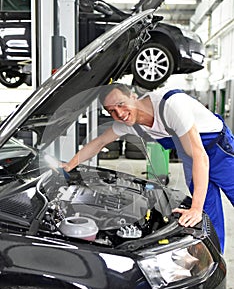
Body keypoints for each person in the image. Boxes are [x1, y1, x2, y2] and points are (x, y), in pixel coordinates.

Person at [62, 83, 234, 253]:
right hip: (191, 157)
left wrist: (195, 207)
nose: (119, 114)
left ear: (133, 96)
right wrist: (69, 165)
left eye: (121, 104)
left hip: (218, 149)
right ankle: (217, 254)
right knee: (207, 212)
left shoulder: (170, 105)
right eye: (111, 111)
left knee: (200, 207)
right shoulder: (130, 123)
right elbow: (99, 142)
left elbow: (200, 155)